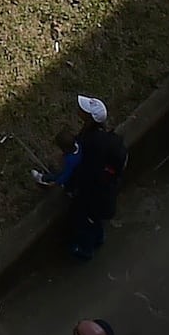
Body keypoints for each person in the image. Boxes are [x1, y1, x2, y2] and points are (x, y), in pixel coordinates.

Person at [39, 94, 127, 260]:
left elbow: (83, 171)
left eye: (84, 110)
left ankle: (84, 250)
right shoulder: (102, 137)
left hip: (93, 195)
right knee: (94, 220)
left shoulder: (89, 143)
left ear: (90, 118)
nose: (80, 111)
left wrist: (67, 184)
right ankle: (99, 238)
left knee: (85, 221)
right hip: (102, 192)